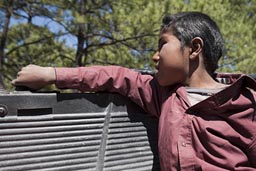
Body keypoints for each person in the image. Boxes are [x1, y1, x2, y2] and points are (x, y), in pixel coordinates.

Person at [12, 12, 256, 171]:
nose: (155, 55)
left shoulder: (247, 102)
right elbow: (114, 76)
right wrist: (51, 74)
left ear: (194, 48)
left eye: (163, 44)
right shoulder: (164, 96)